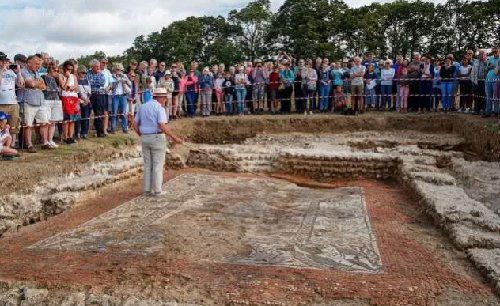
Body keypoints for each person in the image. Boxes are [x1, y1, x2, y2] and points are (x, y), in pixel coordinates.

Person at [133, 87, 183, 196]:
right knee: (157, 165)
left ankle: (147, 190)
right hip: (157, 137)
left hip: (145, 138)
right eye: (164, 97)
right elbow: (162, 125)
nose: (165, 99)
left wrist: (141, 134)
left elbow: (135, 124)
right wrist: (175, 138)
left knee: (148, 165)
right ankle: (157, 190)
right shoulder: (159, 108)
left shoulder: (142, 107)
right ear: (160, 97)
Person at [20, 54, 49, 152]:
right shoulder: (23, 72)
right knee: (28, 124)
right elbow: (31, 84)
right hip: (28, 101)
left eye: (39, 64)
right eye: (36, 64)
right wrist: (37, 84)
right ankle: (29, 145)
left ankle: (45, 143)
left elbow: (44, 86)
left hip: (40, 101)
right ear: (29, 63)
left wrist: (35, 84)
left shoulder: (37, 73)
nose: (38, 66)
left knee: (44, 122)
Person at [0, 51, 24, 148]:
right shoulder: (3, 70)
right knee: (2, 125)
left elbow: (20, 84)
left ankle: (13, 144)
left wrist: (19, 73)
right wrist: (2, 70)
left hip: (13, 103)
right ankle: (2, 145)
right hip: (1, 104)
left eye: (5, 61)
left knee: (14, 125)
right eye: (2, 61)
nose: (4, 63)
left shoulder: (11, 72)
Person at [41, 62, 63, 147]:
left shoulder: (57, 78)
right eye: (55, 70)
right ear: (49, 69)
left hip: (56, 100)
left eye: (58, 70)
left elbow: (62, 87)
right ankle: (45, 141)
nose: (56, 71)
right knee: (46, 122)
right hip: (46, 100)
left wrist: (59, 78)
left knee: (53, 122)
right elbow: (43, 88)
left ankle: (50, 140)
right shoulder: (43, 77)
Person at [60, 60, 80, 143]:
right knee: (66, 119)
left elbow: (77, 88)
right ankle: (66, 137)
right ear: (65, 68)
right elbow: (64, 87)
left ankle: (71, 137)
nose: (69, 71)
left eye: (71, 69)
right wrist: (68, 78)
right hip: (66, 97)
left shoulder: (74, 76)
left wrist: (72, 88)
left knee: (73, 119)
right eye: (68, 69)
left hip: (74, 98)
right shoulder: (61, 75)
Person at [87, 59, 107, 137]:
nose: (98, 68)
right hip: (91, 95)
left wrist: (95, 81)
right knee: (87, 112)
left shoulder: (101, 74)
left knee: (100, 113)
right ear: (92, 67)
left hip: (100, 95)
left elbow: (102, 83)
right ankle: (83, 132)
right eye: (97, 67)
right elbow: (90, 83)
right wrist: (96, 82)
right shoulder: (88, 73)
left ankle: (100, 132)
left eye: (99, 66)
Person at [110, 63, 132, 134]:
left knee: (123, 113)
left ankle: (124, 128)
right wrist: (117, 81)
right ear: (114, 69)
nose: (119, 71)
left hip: (123, 96)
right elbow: (111, 87)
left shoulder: (124, 76)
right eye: (117, 69)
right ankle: (113, 128)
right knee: (114, 113)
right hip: (115, 96)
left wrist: (124, 79)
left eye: (120, 70)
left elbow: (130, 84)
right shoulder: (112, 76)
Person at [76, 66, 91, 139]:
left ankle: (84, 133)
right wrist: (83, 99)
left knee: (86, 118)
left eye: (85, 73)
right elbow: (77, 92)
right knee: (78, 119)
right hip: (79, 101)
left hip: (86, 102)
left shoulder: (87, 81)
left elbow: (89, 92)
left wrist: (87, 99)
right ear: (78, 72)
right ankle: (77, 133)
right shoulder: (76, 80)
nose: (84, 74)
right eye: (82, 72)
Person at [471, 50, 488, 115]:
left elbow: (488, 70)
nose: (481, 56)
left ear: (486, 55)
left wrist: (485, 63)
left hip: (485, 81)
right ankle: (476, 110)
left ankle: (484, 110)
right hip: (476, 81)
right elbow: (472, 72)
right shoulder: (475, 62)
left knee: (484, 96)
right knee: (476, 96)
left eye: (483, 54)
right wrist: (473, 81)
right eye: (480, 54)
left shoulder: (488, 62)